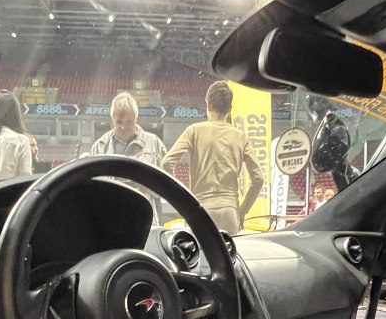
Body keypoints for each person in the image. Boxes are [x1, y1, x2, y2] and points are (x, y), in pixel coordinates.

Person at [161, 81, 264, 236]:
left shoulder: (194, 131)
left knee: (201, 259)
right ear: (230, 109)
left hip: (201, 211)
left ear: (208, 105)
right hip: (230, 213)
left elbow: (167, 163)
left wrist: (184, 199)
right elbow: (258, 178)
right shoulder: (241, 137)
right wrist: (242, 211)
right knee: (228, 259)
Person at [78, 92, 167, 165]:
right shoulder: (99, 147)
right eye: (119, 122)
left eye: (129, 122)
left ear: (136, 119)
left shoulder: (154, 144)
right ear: (112, 120)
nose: (124, 128)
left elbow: (167, 180)